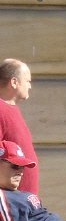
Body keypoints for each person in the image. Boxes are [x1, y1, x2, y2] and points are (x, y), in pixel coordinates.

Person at [0, 59, 39, 196]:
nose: (30, 86)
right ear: (14, 82)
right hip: (12, 206)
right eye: (27, 81)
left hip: (24, 203)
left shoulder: (10, 108)